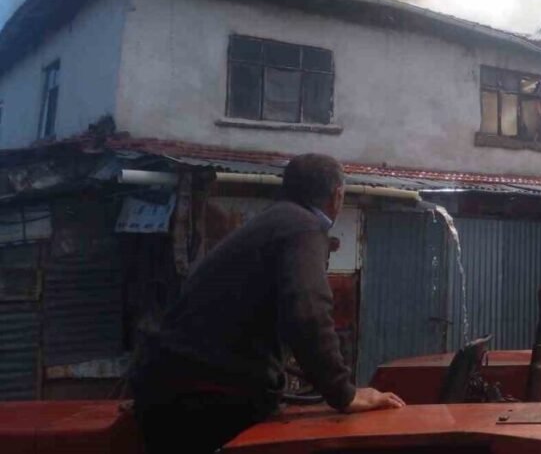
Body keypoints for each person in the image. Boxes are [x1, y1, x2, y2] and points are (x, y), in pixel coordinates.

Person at [130, 154, 404, 453]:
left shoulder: (274, 221)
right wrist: (344, 393)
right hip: (205, 396)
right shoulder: (302, 227)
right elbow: (308, 314)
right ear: (337, 195)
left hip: (170, 383)